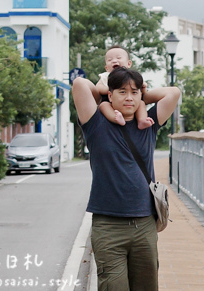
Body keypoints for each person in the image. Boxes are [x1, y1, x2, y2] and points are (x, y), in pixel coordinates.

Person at [73, 46, 181, 291]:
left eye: (133, 93)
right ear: (110, 95)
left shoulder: (148, 125)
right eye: (122, 92)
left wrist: (139, 90)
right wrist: (104, 90)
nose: (129, 97)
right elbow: (80, 85)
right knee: (114, 286)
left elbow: (173, 93)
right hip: (108, 225)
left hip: (144, 223)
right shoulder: (96, 123)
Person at [95, 45, 156, 129]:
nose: (114, 61)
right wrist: (112, 90)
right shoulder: (106, 76)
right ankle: (116, 118)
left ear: (129, 63)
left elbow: (141, 91)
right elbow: (98, 87)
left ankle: (142, 120)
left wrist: (144, 88)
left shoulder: (132, 77)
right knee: (103, 105)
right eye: (110, 60)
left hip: (128, 104)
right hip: (109, 101)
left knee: (141, 103)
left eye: (118, 58)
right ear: (106, 68)